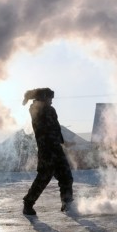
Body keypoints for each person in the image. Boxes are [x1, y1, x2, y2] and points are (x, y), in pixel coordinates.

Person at [22, 87, 74, 215]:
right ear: (44, 98)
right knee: (43, 178)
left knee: (66, 176)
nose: (52, 101)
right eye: (50, 98)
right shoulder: (36, 109)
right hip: (46, 150)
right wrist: (30, 97)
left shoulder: (50, 110)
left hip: (56, 148)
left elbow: (55, 128)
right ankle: (28, 203)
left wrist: (62, 142)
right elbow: (44, 127)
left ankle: (67, 203)